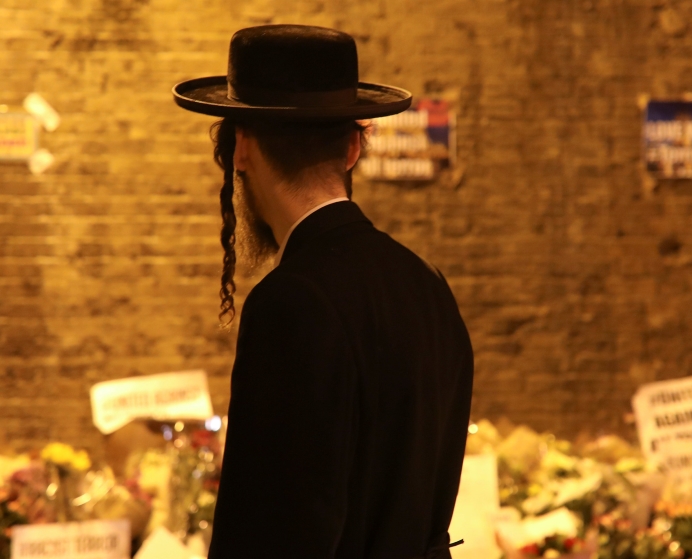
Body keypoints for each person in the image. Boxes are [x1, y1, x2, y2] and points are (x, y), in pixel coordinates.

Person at [172, 25, 474, 559]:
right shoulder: (427, 285)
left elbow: (270, 532)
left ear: (240, 147)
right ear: (355, 146)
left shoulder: (289, 305)